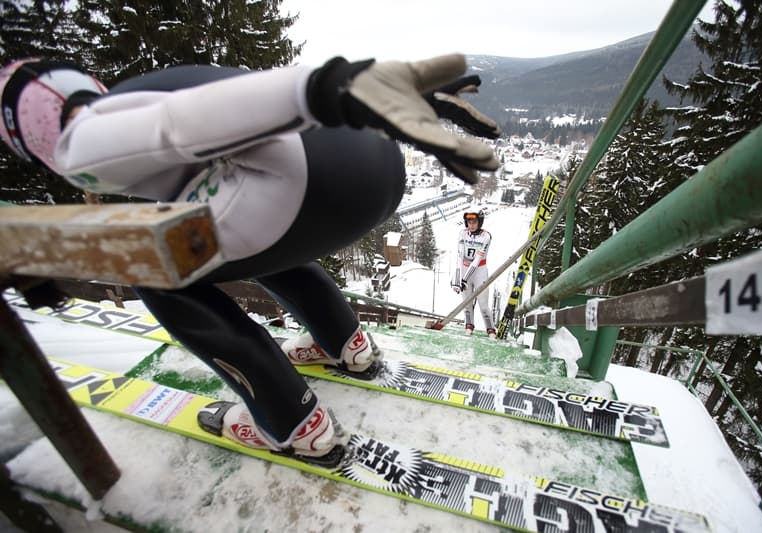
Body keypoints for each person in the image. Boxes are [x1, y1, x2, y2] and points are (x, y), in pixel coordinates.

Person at [0, 55, 500, 464]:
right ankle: (345, 345)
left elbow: (179, 125)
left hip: (312, 172)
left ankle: (293, 422)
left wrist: (333, 87)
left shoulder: (78, 141)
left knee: (157, 266)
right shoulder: (135, 89)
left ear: (27, 138)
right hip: (374, 159)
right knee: (227, 229)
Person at [451, 208, 497, 339]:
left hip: (480, 272)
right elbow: (460, 256)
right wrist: (458, 278)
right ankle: (469, 326)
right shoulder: (462, 234)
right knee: (467, 303)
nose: (471, 225)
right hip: (465, 269)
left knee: (483, 305)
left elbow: (477, 260)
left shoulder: (486, 236)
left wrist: (464, 279)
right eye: (469, 222)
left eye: (474, 222)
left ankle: (491, 329)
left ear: (480, 222)